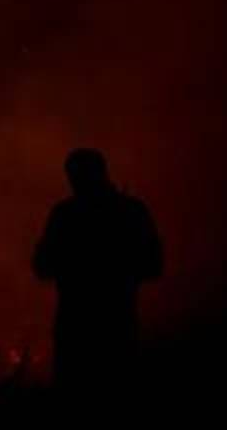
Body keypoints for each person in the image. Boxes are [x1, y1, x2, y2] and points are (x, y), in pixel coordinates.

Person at [34, 148, 163, 395]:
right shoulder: (131, 211)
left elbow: (42, 265)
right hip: (117, 327)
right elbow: (153, 265)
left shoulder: (65, 215)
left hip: (77, 331)